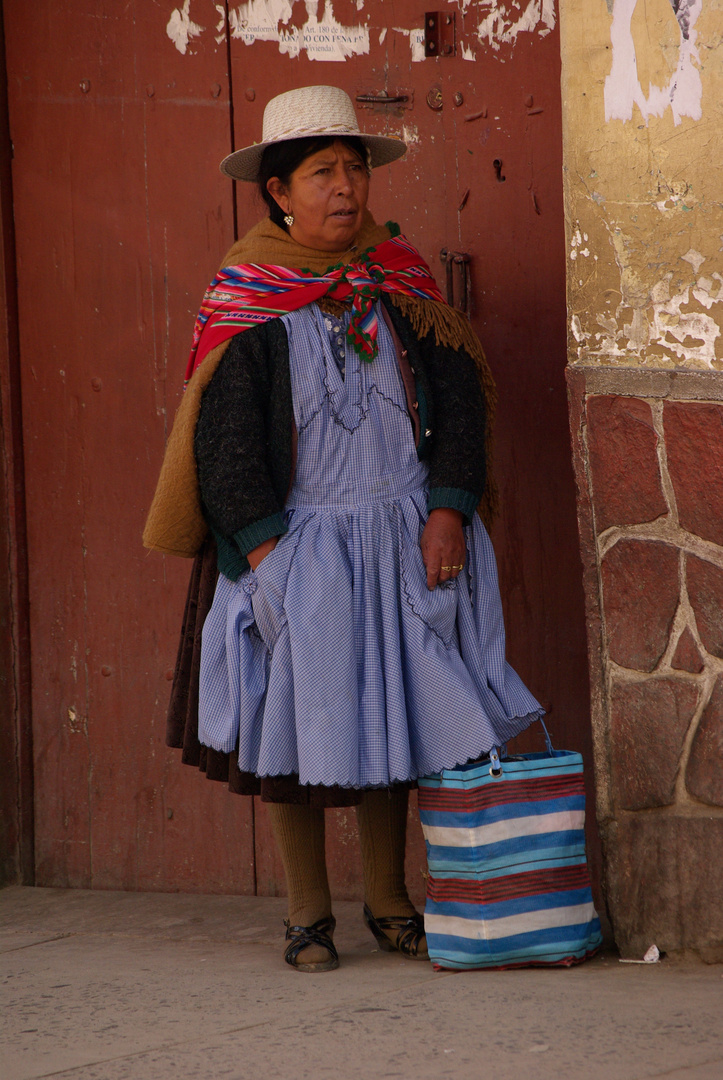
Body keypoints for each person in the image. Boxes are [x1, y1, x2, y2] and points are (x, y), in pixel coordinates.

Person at [144, 85, 543, 973]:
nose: (345, 190)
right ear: (277, 192)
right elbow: (225, 438)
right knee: (294, 722)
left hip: (401, 535)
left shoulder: (398, 281)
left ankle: (390, 901)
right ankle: (305, 913)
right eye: (321, 174)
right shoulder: (249, 295)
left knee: (393, 718)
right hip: (297, 546)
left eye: (353, 171)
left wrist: (448, 510)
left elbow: (462, 402)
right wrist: (265, 551)